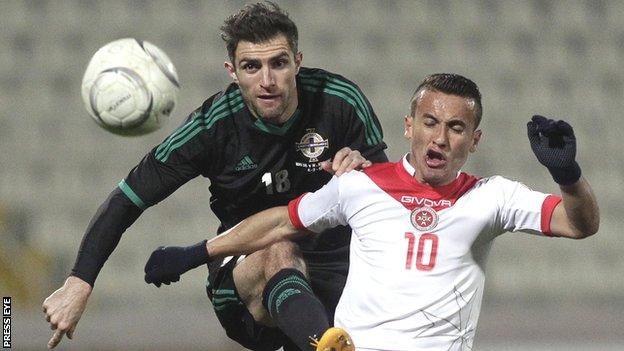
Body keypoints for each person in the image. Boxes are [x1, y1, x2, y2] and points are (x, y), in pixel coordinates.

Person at [144, 73, 600, 350]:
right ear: (408, 127)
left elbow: (580, 224)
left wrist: (568, 175)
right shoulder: (359, 186)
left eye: (456, 128)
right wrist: (197, 252)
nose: (439, 139)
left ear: (474, 140)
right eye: (429, 123)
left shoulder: (493, 196)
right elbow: (282, 221)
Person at [42, 2, 387, 350]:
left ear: (297, 62)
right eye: (251, 67)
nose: (266, 81)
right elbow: (128, 197)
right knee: (279, 249)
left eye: (278, 63)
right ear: (232, 71)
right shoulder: (211, 128)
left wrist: (367, 172)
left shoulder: (340, 101)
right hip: (245, 277)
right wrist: (78, 283)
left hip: (339, 270)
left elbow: (390, 199)